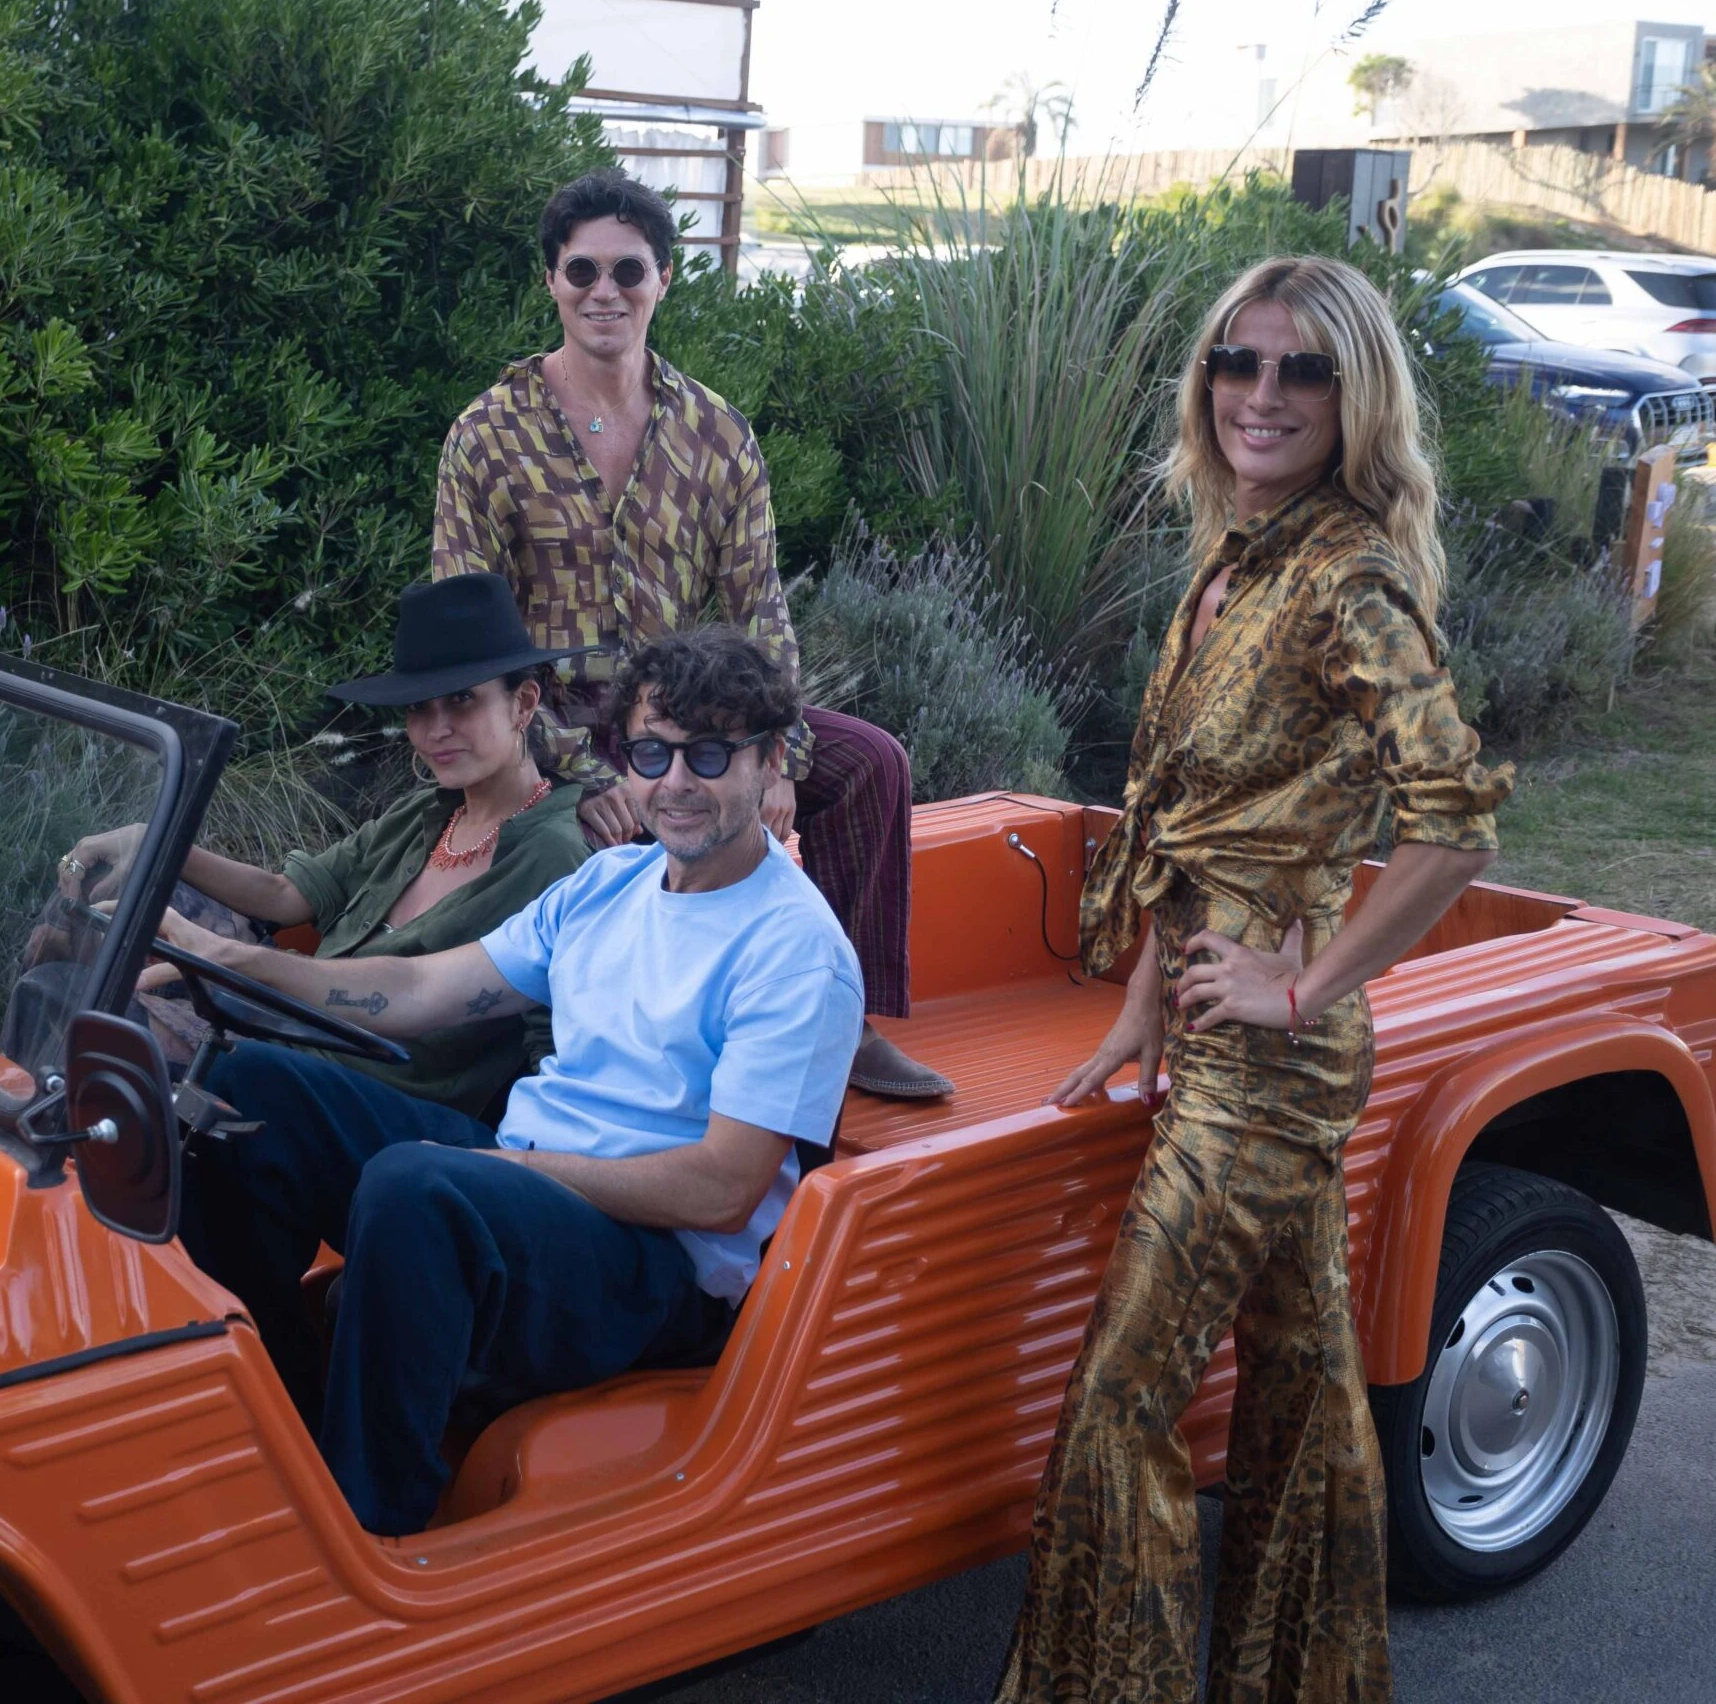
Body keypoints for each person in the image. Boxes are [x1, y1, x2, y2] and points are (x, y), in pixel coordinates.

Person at [999, 255, 1514, 1702]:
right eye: (1239, 361)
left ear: (1356, 398)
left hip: (1272, 1058)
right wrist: (1136, 1008)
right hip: (1217, 1026)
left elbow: (1454, 821)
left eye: (1303, 370)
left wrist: (1306, 984)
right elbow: (1190, 818)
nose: (1262, 394)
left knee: (1122, 1398)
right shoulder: (1237, 556)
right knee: (1300, 1380)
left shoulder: (1347, 576)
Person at [153, 629, 862, 1536]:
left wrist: (522, 1171)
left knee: (417, 1187)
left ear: (767, 761)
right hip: (537, 1184)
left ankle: (373, 1530)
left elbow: (722, 1190)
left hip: (655, 1271)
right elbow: (420, 988)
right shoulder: (610, 883)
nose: (676, 781)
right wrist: (226, 959)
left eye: (711, 753)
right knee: (252, 1091)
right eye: (653, 752)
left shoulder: (797, 952)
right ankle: (283, 1418)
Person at [429, 165, 950, 1101]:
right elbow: (471, 642)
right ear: (551, 280)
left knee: (872, 764)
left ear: (664, 280)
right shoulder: (488, 435)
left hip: (695, 716)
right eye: (582, 271)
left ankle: (845, 1025)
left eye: (628, 272)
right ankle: (639, 1072)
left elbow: (759, 606)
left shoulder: (714, 432)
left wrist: (780, 750)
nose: (605, 293)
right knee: (622, 836)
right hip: (551, 732)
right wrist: (576, 776)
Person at [37, 573, 592, 1121]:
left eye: (462, 700)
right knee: (63, 976)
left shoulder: (555, 855)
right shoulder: (426, 813)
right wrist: (157, 844)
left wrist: (229, 963)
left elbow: (546, 1038)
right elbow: (286, 894)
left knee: (106, 1033)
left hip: (376, 1088)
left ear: (522, 704)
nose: (436, 729)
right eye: (419, 708)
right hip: (290, 1026)